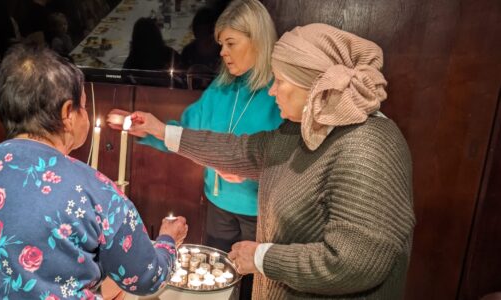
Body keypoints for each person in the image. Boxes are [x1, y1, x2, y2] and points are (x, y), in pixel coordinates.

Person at [122, 23, 415, 299]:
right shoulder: (304, 127)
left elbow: (356, 263)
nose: (272, 90)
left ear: (315, 87)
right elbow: (240, 151)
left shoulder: (367, 147)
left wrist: (262, 257)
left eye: (280, 81)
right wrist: (160, 130)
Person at [0, 43, 188, 300]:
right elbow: (147, 278)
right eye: (83, 106)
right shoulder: (96, 190)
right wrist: (167, 239)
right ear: (67, 114)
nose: (84, 113)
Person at [109, 1, 282, 299]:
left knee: (257, 290)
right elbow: (184, 133)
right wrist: (147, 132)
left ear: (258, 40)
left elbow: (288, 159)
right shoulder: (220, 88)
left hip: (263, 211)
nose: (222, 52)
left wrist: (249, 173)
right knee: (216, 285)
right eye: (220, 44)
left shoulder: (280, 92)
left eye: (230, 43)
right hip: (218, 206)